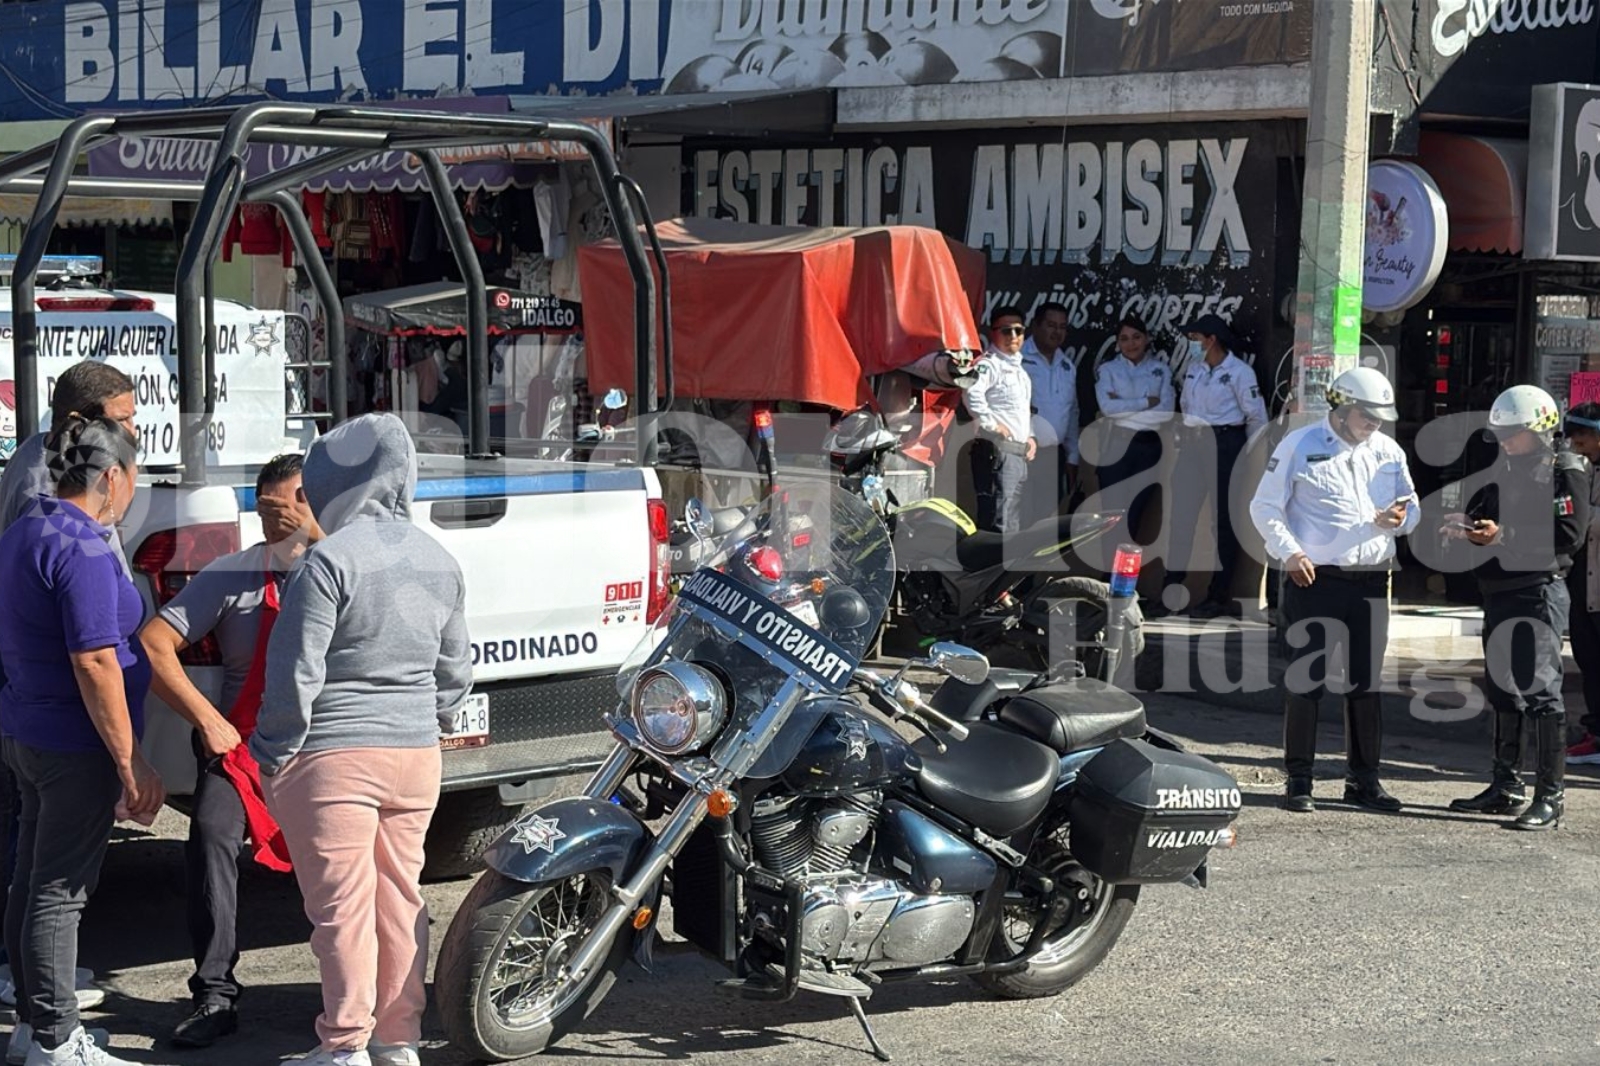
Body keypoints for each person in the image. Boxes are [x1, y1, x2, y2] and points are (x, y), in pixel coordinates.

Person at [253, 414, 473, 1066]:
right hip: (414, 756)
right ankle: (397, 1041)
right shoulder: (439, 558)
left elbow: (296, 671)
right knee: (400, 900)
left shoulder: (326, 562)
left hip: (332, 756)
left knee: (342, 910)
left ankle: (344, 1045)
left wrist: (273, 751)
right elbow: (456, 669)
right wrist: (428, 717)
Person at [139, 454, 324, 1050]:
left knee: (363, 850)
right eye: (269, 508)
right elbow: (154, 643)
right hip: (244, 744)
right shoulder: (230, 574)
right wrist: (208, 720)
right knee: (212, 834)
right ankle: (214, 993)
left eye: (293, 502)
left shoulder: (343, 568)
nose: (281, 519)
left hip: (323, 741)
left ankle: (368, 992)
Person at [0, 415, 163, 1066]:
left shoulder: (24, 530)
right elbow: (95, 662)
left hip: (28, 729)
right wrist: (131, 763)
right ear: (114, 477)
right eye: (136, 481)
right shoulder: (84, 545)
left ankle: (32, 1028)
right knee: (57, 892)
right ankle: (56, 1039)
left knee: (32, 882)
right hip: (72, 742)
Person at [1249, 368, 1418, 813]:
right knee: (1306, 683)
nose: (1375, 424)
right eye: (1367, 416)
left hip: (1372, 581)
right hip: (1315, 580)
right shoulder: (1298, 446)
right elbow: (1264, 506)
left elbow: (1412, 506)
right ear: (1341, 409)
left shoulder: (1388, 451)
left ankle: (1363, 781)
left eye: (1381, 417)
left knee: (1365, 684)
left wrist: (1402, 518)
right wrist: (1289, 552)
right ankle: (1300, 780)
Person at [1446, 385, 1590, 830]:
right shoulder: (1503, 468)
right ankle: (1505, 786)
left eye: (1516, 433)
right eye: (1502, 433)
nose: (1507, 440)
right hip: (1498, 592)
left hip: (1537, 592)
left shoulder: (1565, 469)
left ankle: (1551, 796)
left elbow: (1568, 534)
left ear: (1542, 428)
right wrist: (1463, 527)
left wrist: (1502, 536)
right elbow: (1481, 511)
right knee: (1503, 689)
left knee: (1542, 694)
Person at [1158, 314, 1268, 619]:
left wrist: (1245, 454)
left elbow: (1257, 417)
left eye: (1195, 338)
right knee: (1181, 518)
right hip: (1193, 444)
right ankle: (1171, 591)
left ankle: (1218, 597)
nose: (1191, 344)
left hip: (1224, 443)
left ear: (1211, 339)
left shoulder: (1239, 372)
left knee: (1223, 522)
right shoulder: (1194, 370)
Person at [1092, 315, 1174, 545]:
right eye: (1124, 339)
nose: (1131, 344)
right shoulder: (1108, 369)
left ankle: (1124, 579)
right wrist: (1147, 401)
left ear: (1146, 338)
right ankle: (1107, 579)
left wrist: (1124, 404)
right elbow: (1108, 408)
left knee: (1134, 517)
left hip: (1148, 448)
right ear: (1117, 343)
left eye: (1137, 337)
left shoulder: (1160, 370)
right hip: (1117, 445)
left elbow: (1165, 413)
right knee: (1111, 518)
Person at [964, 308, 1036, 534]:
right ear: (993, 332)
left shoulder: (1019, 370)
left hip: (1017, 453)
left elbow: (1020, 410)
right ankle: (992, 569)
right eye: (1006, 330)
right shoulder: (989, 364)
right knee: (999, 523)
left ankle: (1006, 569)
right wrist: (990, 424)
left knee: (1012, 522)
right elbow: (970, 391)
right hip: (997, 451)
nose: (1013, 336)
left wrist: (1030, 436)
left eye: (1018, 330)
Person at [1562, 404, 1600, 764]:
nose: (1576, 444)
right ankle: (1595, 735)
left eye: (1583, 437)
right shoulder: (1582, 470)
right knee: (1589, 663)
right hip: (1584, 586)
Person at [1020, 302, 1079, 522]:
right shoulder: (1018, 359)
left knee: (1045, 522)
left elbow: (1071, 413)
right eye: (1051, 325)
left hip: (1053, 457)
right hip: (1022, 454)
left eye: (1062, 327)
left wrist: (1073, 458)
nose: (1057, 332)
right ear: (1035, 326)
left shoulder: (1067, 366)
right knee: (1018, 521)